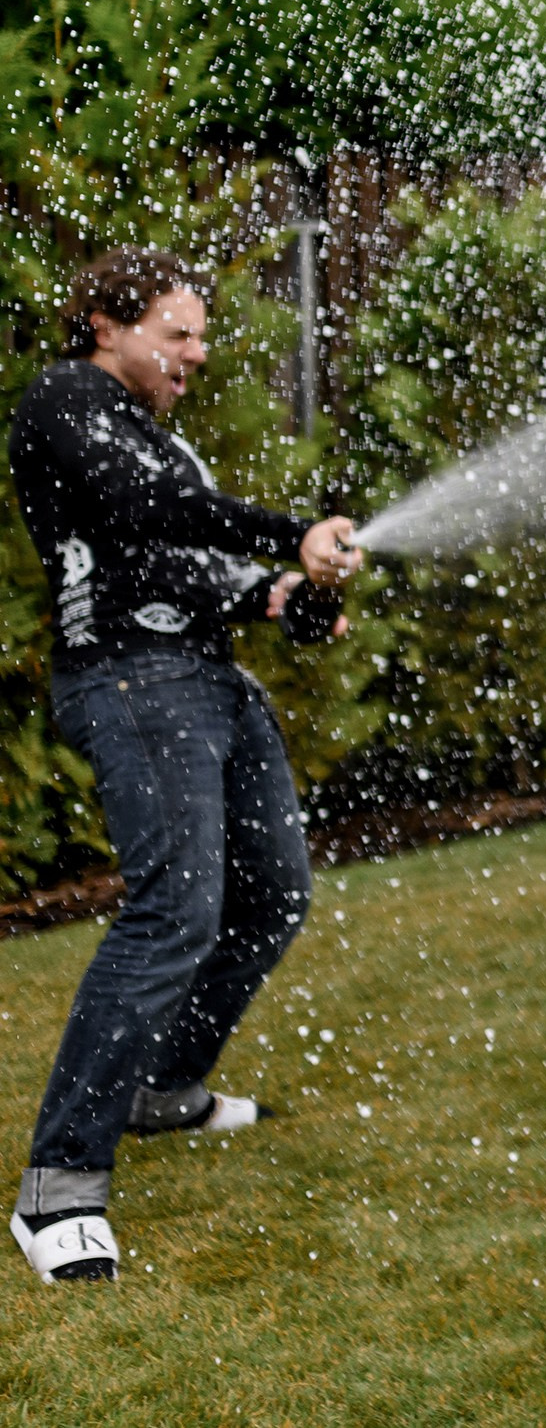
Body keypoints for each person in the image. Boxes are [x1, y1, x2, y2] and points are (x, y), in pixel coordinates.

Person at [5, 247, 362, 1284]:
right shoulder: (68, 403)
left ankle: (164, 1089)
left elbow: (196, 566)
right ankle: (58, 1186)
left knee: (273, 894)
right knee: (173, 913)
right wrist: (293, 534)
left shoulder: (161, 442)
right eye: (178, 332)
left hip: (210, 679)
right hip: (131, 680)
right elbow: (150, 510)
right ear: (107, 327)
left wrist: (288, 596)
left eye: (201, 335)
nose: (198, 353)